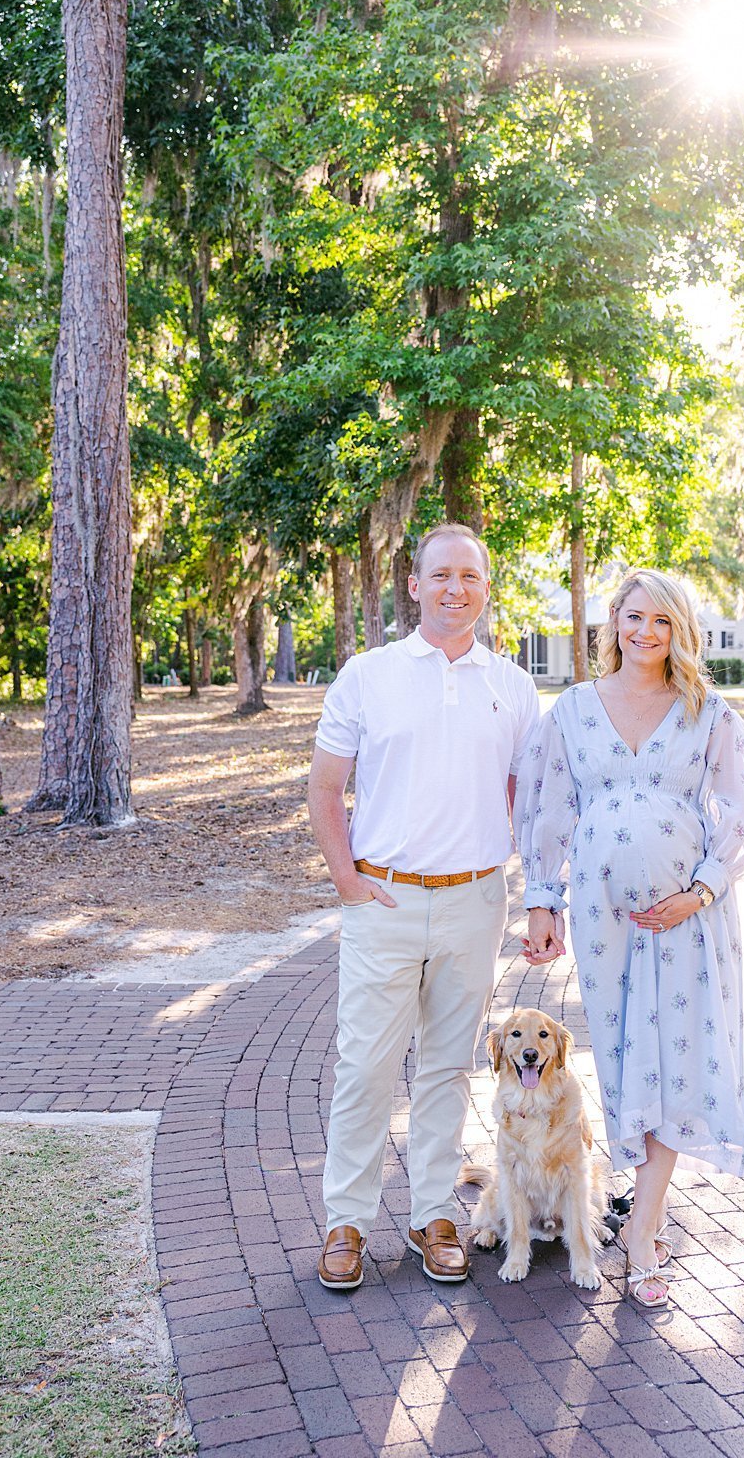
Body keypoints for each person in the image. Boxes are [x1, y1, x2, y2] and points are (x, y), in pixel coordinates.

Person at [515, 567, 744, 1309]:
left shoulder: (706, 710)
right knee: (628, 1053)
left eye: (662, 621)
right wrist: (543, 901)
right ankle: (641, 1212)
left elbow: (740, 808)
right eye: (633, 618)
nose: (645, 633)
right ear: (613, 625)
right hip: (604, 919)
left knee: (681, 1056)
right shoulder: (572, 709)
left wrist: (701, 890)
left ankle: (643, 1231)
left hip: (689, 918)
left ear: (679, 631)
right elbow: (550, 805)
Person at [306, 524, 542, 1289]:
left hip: (475, 901)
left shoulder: (511, 686)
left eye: (469, 577)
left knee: (447, 1068)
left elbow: (528, 801)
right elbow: (324, 787)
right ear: (414, 585)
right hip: (383, 899)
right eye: (441, 575)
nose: (455, 589)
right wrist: (347, 880)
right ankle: (345, 1221)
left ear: (484, 586)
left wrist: (530, 891)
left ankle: (433, 1214)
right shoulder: (368, 675)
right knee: (365, 1067)